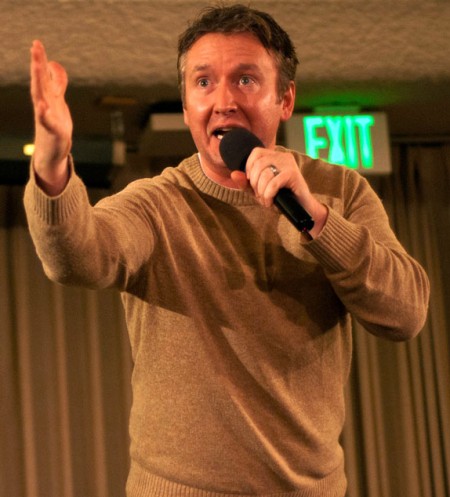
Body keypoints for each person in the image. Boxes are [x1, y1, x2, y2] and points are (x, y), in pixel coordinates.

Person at [25, 4, 430, 497]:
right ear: (186, 102)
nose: (222, 101)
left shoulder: (340, 191)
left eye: (244, 80)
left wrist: (319, 222)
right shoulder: (157, 203)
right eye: (203, 82)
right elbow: (77, 256)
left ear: (285, 99)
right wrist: (51, 166)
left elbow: (405, 314)